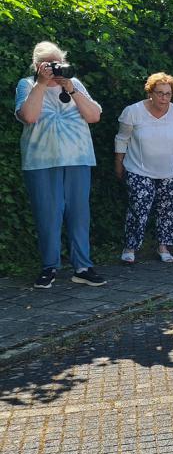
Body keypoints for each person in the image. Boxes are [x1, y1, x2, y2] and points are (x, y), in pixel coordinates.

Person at [14, 41, 105, 288]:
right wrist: (42, 84)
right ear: (37, 65)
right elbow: (29, 116)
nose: (55, 68)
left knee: (79, 215)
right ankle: (49, 267)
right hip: (41, 162)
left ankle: (83, 267)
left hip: (78, 159)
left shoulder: (74, 83)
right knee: (48, 215)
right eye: (49, 64)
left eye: (58, 62)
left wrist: (71, 89)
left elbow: (94, 116)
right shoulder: (27, 85)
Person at [115, 72, 173, 264]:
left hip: (171, 170)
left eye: (168, 94)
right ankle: (130, 247)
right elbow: (122, 139)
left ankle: (163, 246)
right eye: (159, 93)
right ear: (150, 92)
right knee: (138, 208)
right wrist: (118, 164)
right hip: (139, 169)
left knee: (168, 209)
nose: (164, 98)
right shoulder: (133, 111)